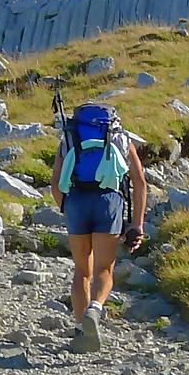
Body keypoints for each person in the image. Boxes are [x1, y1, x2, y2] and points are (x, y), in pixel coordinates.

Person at [49, 98, 147, 352]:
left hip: (77, 201)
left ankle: (82, 329)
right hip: (109, 202)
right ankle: (95, 308)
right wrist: (137, 224)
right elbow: (140, 182)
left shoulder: (70, 139)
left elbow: (56, 183)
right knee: (104, 269)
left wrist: (67, 208)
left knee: (82, 271)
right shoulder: (121, 139)